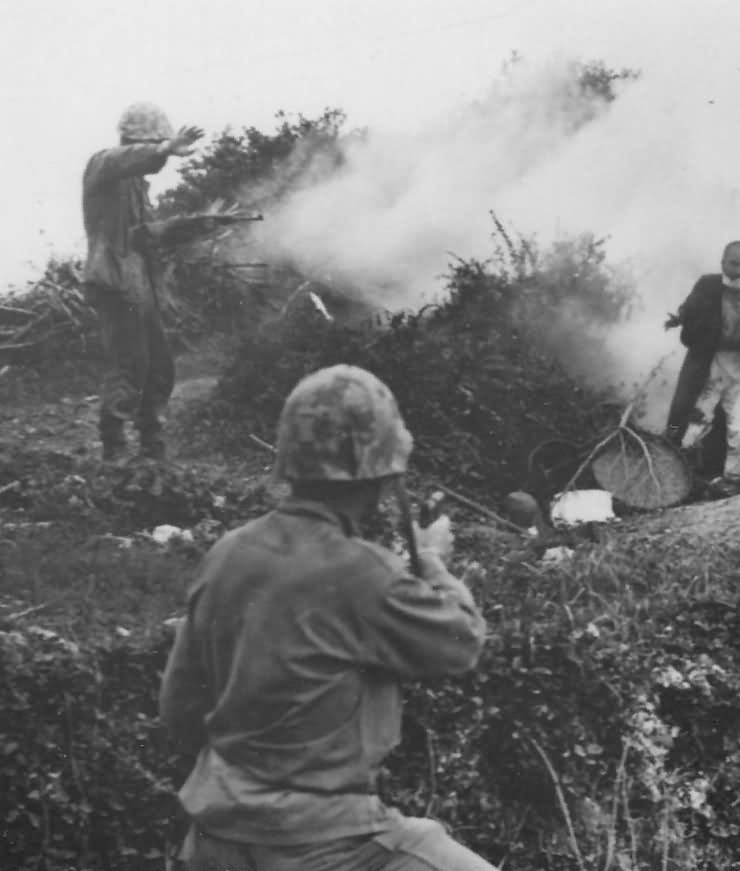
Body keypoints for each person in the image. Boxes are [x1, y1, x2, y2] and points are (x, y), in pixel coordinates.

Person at [159, 364, 496, 871]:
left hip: (213, 837)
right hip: (321, 842)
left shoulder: (228, 553)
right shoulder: (364, 571)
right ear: (382, 474)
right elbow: (460, 643)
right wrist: (433, 566)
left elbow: (179, 706)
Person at [82, 102, 204, 463]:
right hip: (115, 282)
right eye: (156, 144)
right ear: (136, 140)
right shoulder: (103, 165)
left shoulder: (135, 185)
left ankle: (152, 444)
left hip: (137, 282)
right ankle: (115, 449)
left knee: (160, 364)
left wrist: (195, 224)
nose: (163, 155)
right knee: (129, 364)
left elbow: (143, 235)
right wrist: (162, 149)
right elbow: (123, 159)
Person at [664, 240, 740, 495]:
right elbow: (690, 305)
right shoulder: (707, 284)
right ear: (722, 262)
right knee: (693, 422)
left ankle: (732, 481)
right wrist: (680, 318)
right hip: (707, 363)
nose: (738, 269)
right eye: (733, 263)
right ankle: (678, 478)